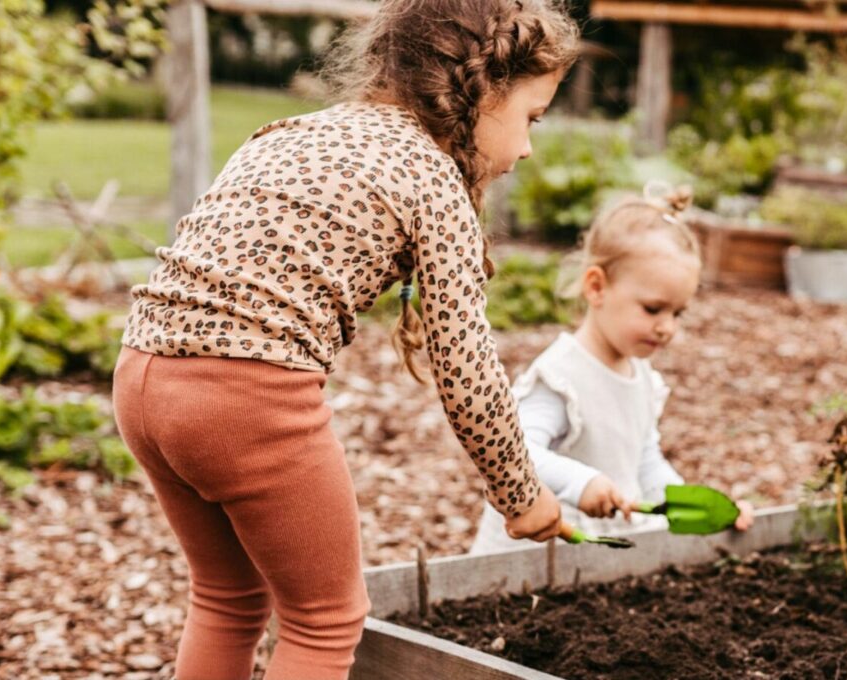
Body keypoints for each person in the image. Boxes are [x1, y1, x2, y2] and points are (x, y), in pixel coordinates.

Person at [111, 0, 580, 675]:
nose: (530, 146)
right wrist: (522, 495)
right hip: (246, 396)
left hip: (142, 377)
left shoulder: (289, 131)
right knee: (324, 620)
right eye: (532, 117)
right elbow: (467, 367)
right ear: (479, 90)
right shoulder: (430, 175)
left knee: (227, 597)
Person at [470, 187, 756, 554]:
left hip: (593, 561)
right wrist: (581, 481)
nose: (667, 327)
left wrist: (698, 508)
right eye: (653, 310)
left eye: (677, 313)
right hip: (530, 561)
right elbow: (514, 452)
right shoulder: (562, 376)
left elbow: (645, 464)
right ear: (597, 287)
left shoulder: (642, 377)